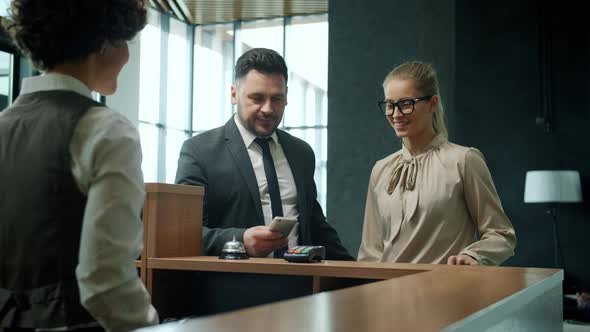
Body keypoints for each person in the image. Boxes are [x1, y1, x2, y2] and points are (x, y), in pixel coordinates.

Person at [0, 0, 158, 330]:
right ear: (103, 43)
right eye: (126, 41)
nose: (127, 55)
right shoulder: (108, 131)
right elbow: (106, 282)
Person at [175, 48, 352, 260]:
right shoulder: (199, 151)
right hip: (234, 286)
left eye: (277, 98)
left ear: (286, 96)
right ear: (234, 94)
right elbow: (183, 234)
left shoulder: (301, 153)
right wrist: (239, 241)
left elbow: (315, 226)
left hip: (301, 284)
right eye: (257, 98)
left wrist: (361, 278)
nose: (268, 109)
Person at [357, 61, 516, 265]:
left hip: (445, 291)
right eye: (390, 105)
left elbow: (501, 234)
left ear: (432, 103)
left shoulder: (464, 160)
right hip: (386, 292)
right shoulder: (381, 169)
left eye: (406, 104)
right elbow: (370, 252)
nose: (396, 114)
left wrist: (472, 256)